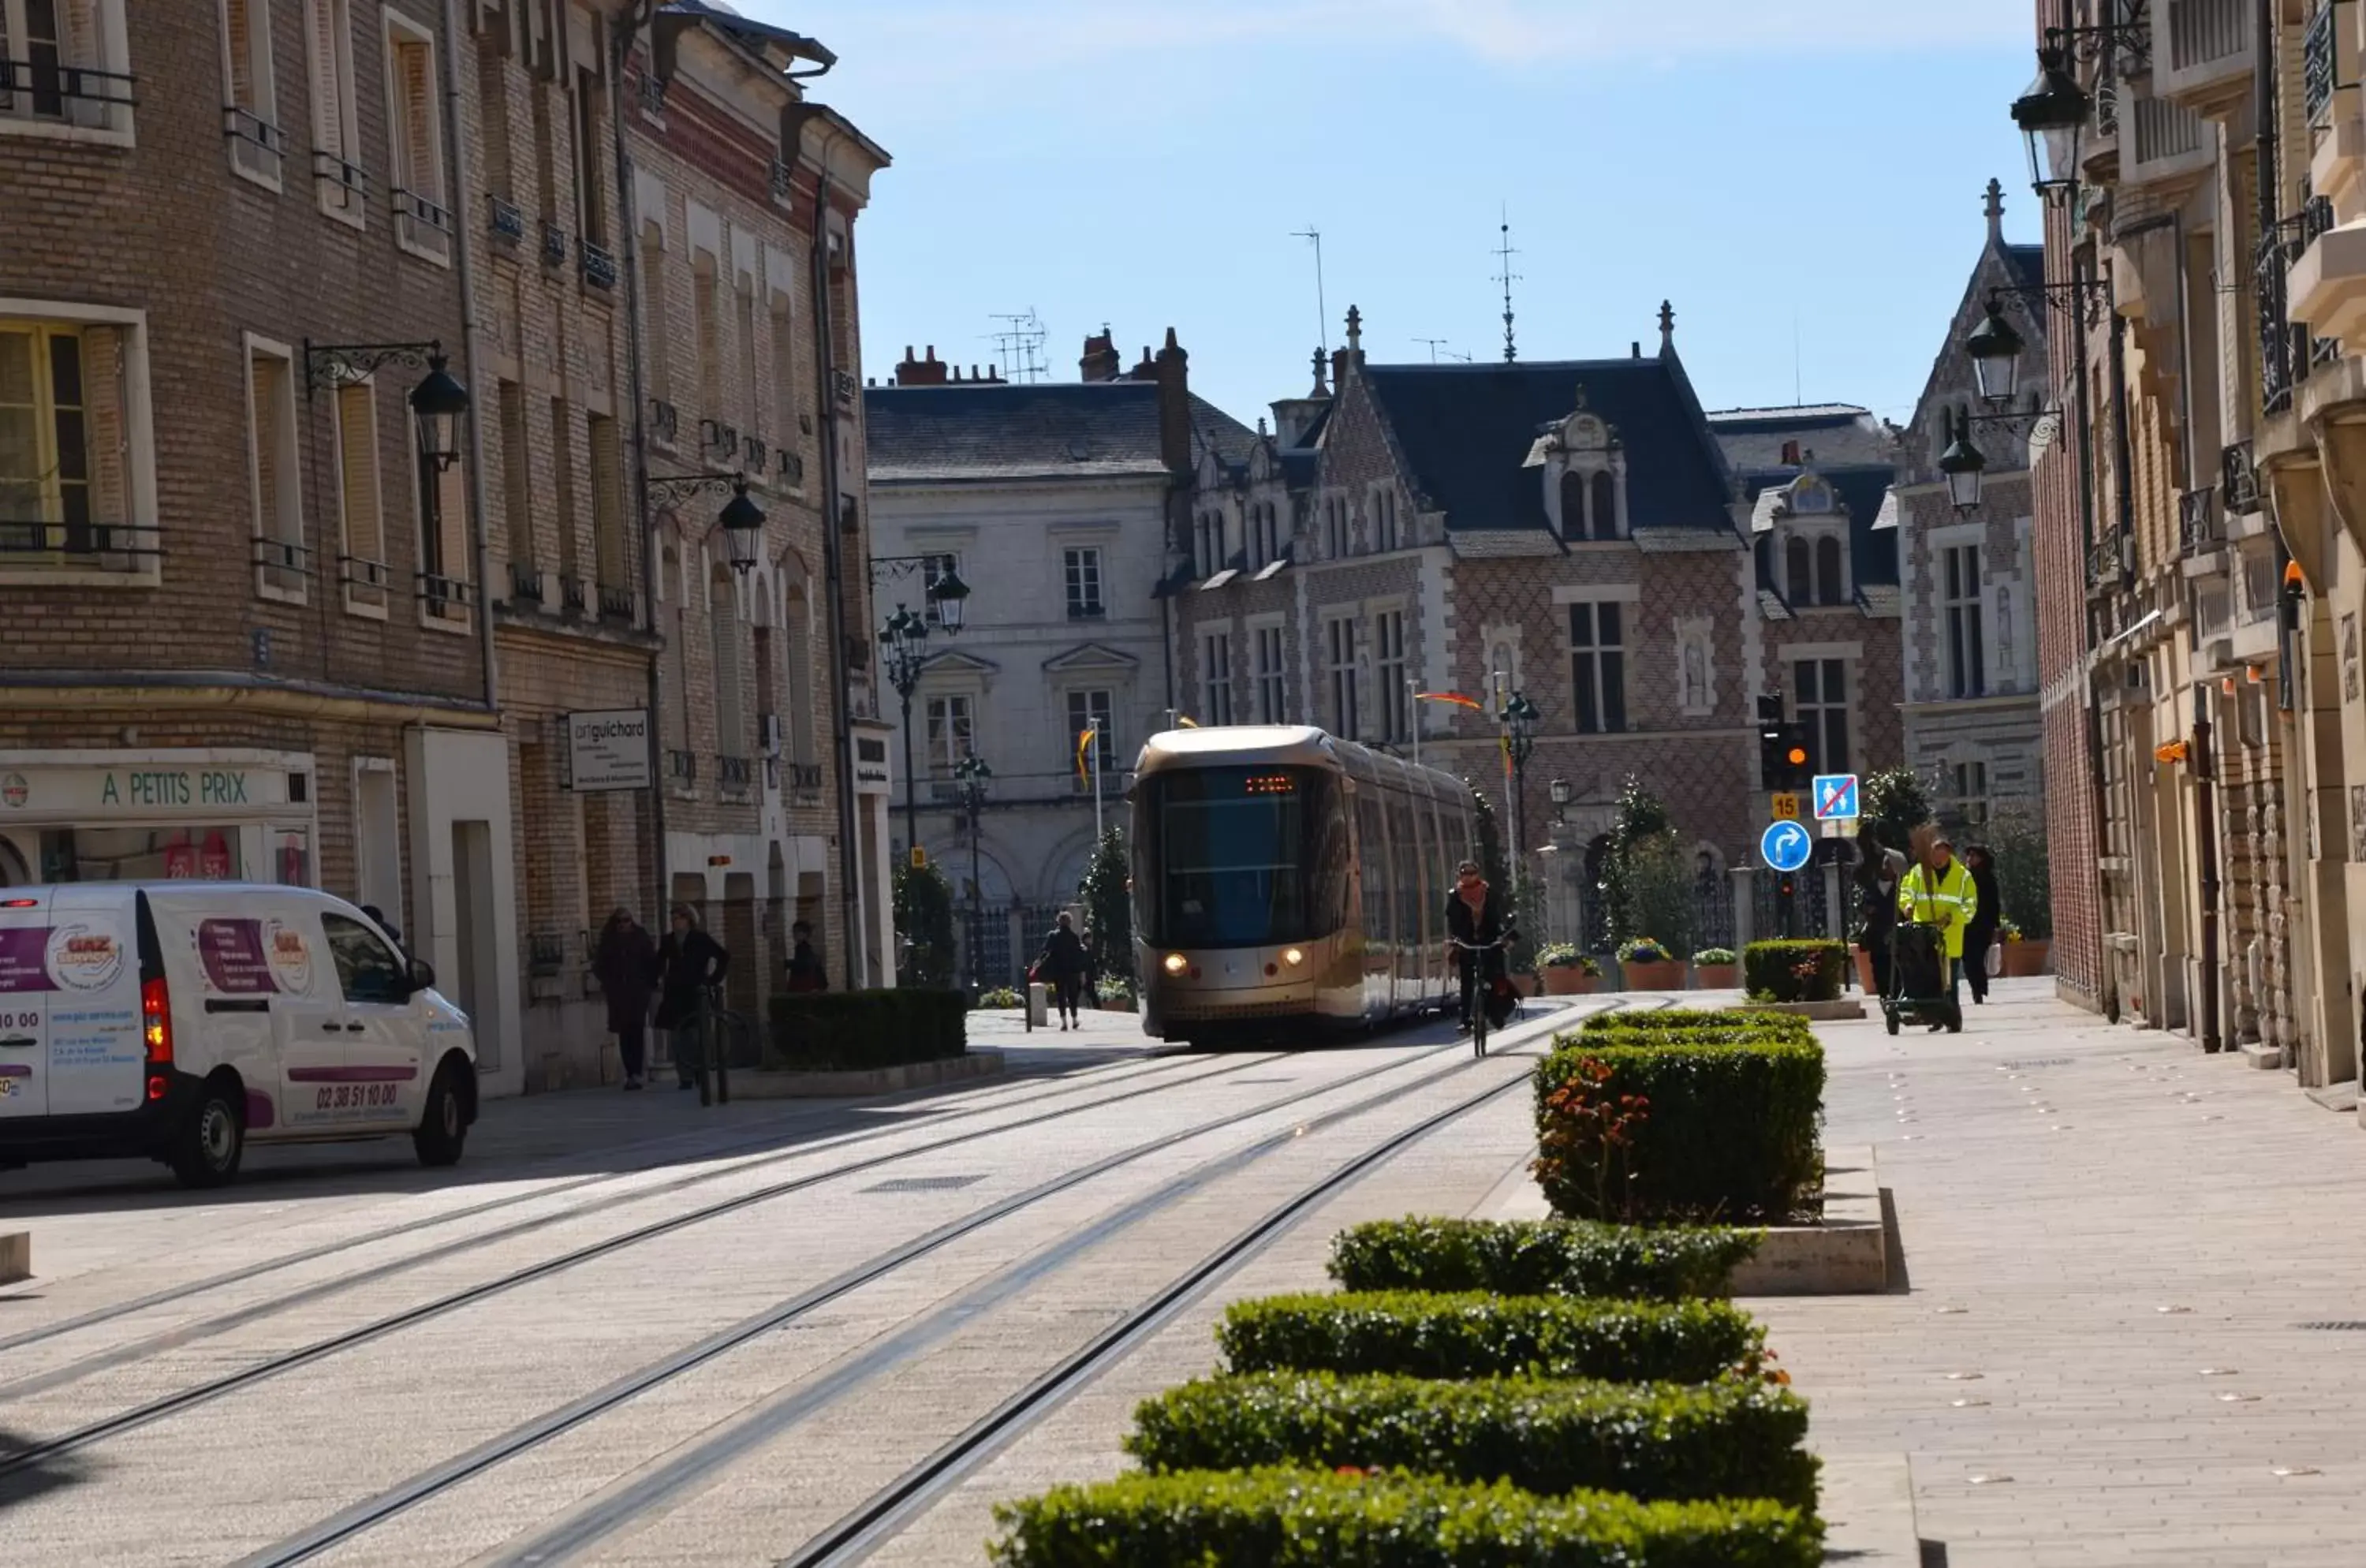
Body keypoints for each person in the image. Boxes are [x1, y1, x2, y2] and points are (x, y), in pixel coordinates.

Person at [1898, 833, 1978, 1029]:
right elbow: (1907, 891)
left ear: (1949, 854)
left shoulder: (1963, 876)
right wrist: (1907, 906)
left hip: (1949, 936)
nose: (1938, 861)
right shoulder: (1919, 872)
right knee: (1927, 978)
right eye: (1934, 857)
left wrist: (1953, 916)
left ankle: (1952, 1018)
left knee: (1949, 983)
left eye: (1941, 857)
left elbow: (1970, 905)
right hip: (1923, 936)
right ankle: (1933, 1017)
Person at [652, 902, 730, 1088]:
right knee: (678, 1036)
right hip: (675, 993)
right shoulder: (668, 940)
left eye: (678, 918)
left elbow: (723, 956)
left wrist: (712, 980)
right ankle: (685, 1077)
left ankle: (700, 1071)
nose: (674, 922)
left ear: (688, 920)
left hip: (696, 991)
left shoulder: (700, 938)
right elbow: (659, 962)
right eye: (672, 918)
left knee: (697, 1036)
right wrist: (658, 978)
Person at [593, 908, 657, 1090]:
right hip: (618, 994)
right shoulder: (609, 941)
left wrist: (647, 984)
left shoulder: (641, 938)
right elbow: (599, 965)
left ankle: (637, 1072)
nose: (623, 924)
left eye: (627, 920)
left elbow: (651, 962)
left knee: (636, 1030)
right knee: (624, 1033)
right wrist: (609, 983)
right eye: (620, 921)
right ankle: (630, 1072)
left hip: (638, 993)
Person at [1444, 860, 1508, 1036]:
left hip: (1489, 940)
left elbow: (1497, 917)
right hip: (1466, 943)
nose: (1469, 877)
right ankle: (1465, 1020)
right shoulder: (1454, 896)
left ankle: (1497, 1012)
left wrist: (1501, 937)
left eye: (1472, 874)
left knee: (1494, 975)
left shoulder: (1489, 893)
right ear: (1460, 876)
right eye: (1465, 874)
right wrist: (1454, 940)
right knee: (1467, 982)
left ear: (1478, 875)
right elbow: (1452, 921)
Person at [1853, 828, 1907, 999]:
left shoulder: (1903, 887)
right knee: (1879, 967)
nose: (1885, 867)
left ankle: (1897, 996)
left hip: (1897, 934)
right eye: (1884, 863)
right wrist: (1867, 909)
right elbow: (1861, 904)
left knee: (1897, 968)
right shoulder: (1872, 886)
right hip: (1877, 934)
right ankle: (1885, 997)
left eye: (1889, 864)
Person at [1961, 843, 2002, 1006]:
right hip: (1965, 925)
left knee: (1977, 958)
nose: (1970, 859)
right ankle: (1977, 988)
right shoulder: (1964, 878)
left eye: (1974, 856)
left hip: (1983, 925)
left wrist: (1996, 926)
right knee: (1968, 960)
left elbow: (1994, 903)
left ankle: (1979, 989)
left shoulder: (1988, 879)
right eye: (1968, 856)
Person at [1036, 912, 1090, 1031]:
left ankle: (1064, 1022)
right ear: (1070, 922)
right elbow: (1079, 954)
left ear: (1058, 922)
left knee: (1061, 995)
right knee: (1073, 996)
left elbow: (1045, 950)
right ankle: (1075, 1019)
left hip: (1058, 970)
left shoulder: (1053, 936)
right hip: (1072, 971)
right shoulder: (1074, 937)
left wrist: (1039, 962)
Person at [784, 920, 827, 994]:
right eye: (794, 932)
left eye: (797, 932)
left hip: (804, 984)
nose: (795, 935)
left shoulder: (805, 948)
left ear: (805, 934)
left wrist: (789, 964)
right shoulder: (800, 948)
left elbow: (806, 964)